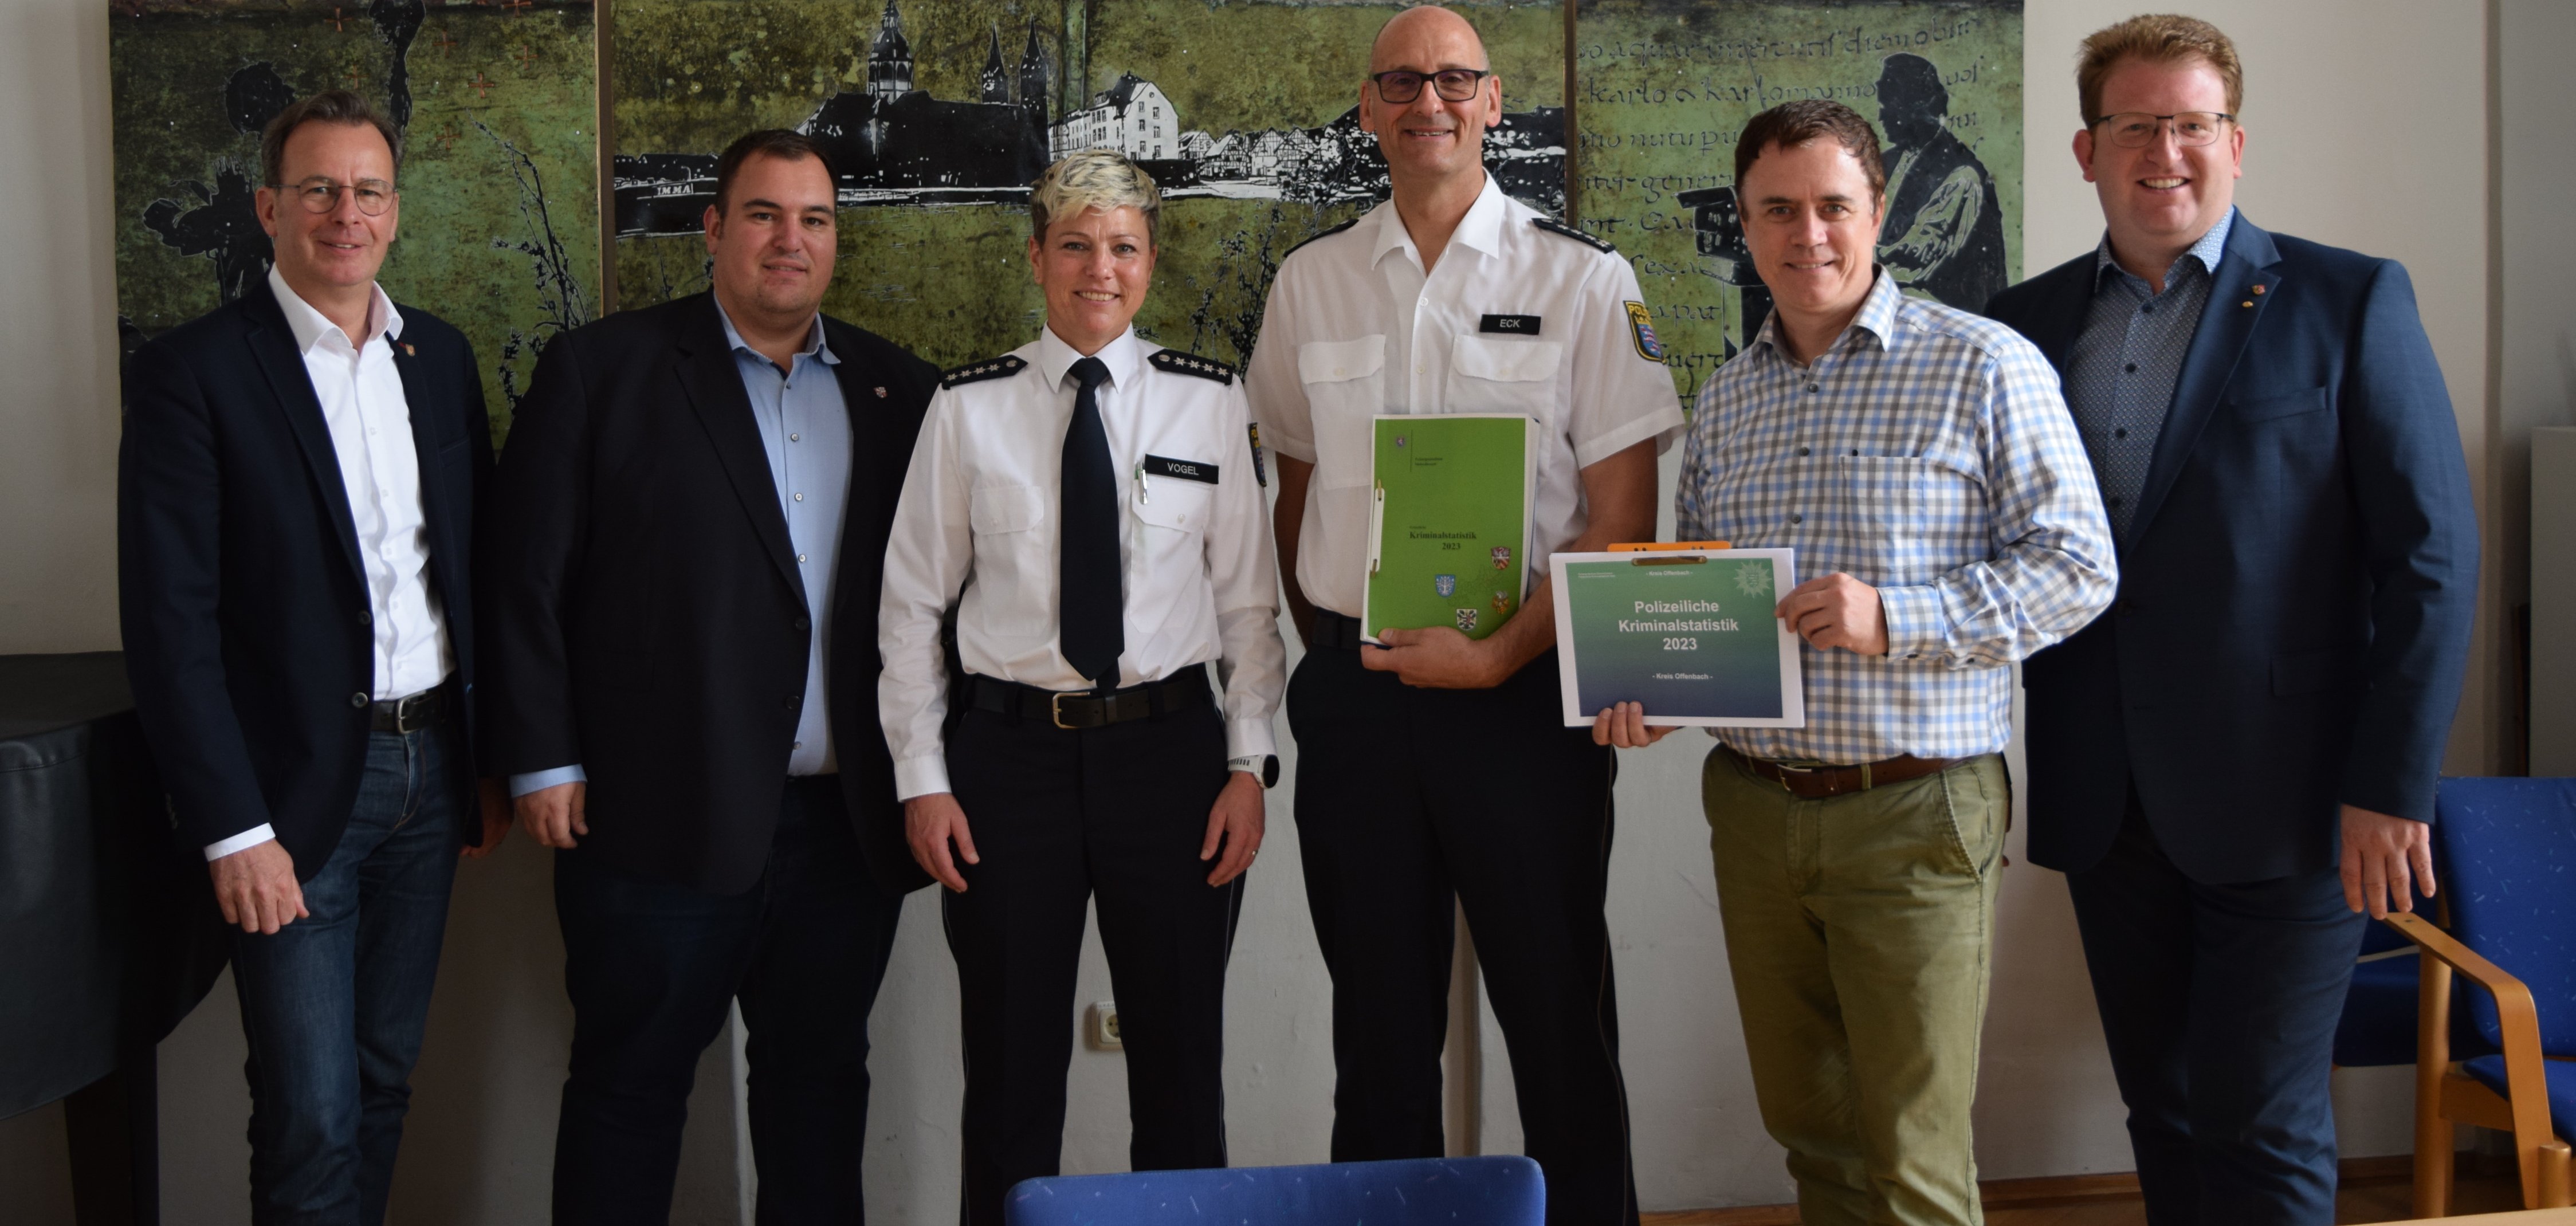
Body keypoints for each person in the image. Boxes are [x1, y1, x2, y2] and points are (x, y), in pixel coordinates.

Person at [1980, 17, 2478, 1222]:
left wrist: (2391, 782)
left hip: (2299, 798)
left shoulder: (2349, 298)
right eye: (2135, 125)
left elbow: (2432, 559)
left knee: (2262, 1117)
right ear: (2084, 149)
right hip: (2107, 794)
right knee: (2165, 1106)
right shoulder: (2023, 325)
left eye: (2190, 123)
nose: (2165, 149)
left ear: (2234, 143)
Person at [1597, 99, 2116, 1226]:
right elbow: (1707, 599)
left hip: (1916, 809)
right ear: (1744, 225)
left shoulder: (1984, 364)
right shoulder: (1727, 401)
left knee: (1916, 1156)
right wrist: (1653, 684)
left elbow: (2080, 567)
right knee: (1813, 1134)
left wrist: (1900, 616)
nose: (1808, 234)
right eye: (1776, 210)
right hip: (1753, 810)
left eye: (1833, 205)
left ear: (1877, 211)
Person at [1242, 9, 1683, 1222]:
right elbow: (1292, 491)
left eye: (1452, 80)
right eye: (1399, 82)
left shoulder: (1586, 281)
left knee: (1557, 1026)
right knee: (1377, 1040)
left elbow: (1620, 520)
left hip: (1524, 708)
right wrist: (1345, 641)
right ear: (1370, 107)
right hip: (1360, 705)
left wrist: (1494, 654)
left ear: (1494, 103)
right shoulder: (1309, 281)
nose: (1424, 100)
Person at [482, 128, 940, 1224]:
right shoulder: (603, 373)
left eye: (815, 219)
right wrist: (541, 757)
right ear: (714, 231)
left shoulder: (901, 391)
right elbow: (523, 582)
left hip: (844, 830)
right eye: (766, 215)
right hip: (655, 822)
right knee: (629, 1091)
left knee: (819, 1091)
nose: (792, 240)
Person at [118, 89, 509, 1223]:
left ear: (395, 211)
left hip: (432, 774)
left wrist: (484, 759)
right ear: (269, 207)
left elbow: (464, 572)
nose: (347, 211)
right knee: (310, 1111)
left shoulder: (436, 357)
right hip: (289, 794)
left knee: (385, 1079)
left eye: (368, 190)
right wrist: (232, 826)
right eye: (321, 189)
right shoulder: (195, 373)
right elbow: (170, 623)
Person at [879, 148, 1283, 1226]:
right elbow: (913, 607)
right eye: (1074, 245)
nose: (1097, 269)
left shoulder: (1209, 403)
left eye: (1122, 247)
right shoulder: (967, 410)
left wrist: (1250, 766)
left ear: (1150, 262)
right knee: (1010, 1074)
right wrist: (924, 778)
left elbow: (1249, 610)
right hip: (1007, 764)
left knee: (1181, 1063)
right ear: (1036, 257)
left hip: (1174, 760)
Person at [1874, 53, 2009, 311]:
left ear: (1912, 107)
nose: (1881, 118)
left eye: (1886, 108)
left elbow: (1911, 263)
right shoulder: (1886, 162)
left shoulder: (1962, 176)